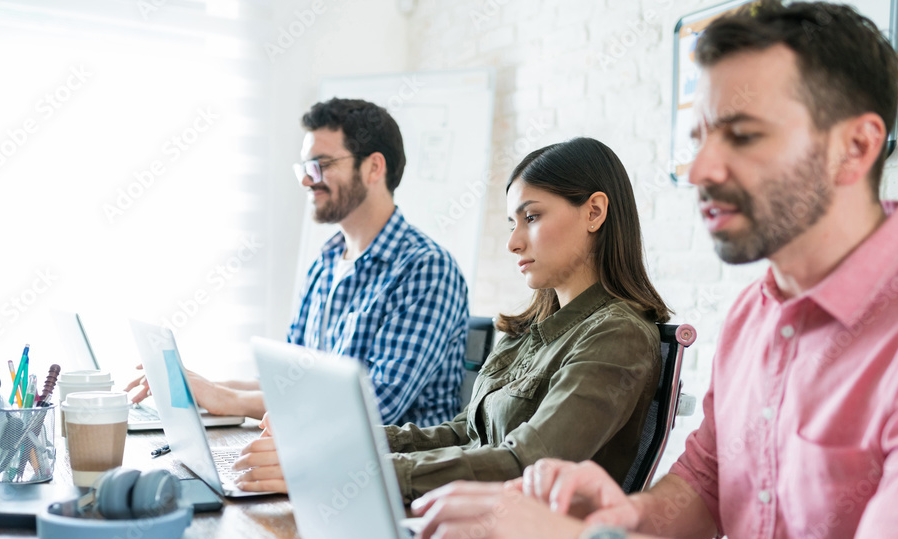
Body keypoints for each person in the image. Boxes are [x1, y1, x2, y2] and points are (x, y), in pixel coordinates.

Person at [407, 3, 898, 539]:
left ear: (855, 147)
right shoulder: (753, 314)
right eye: (700, 134)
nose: (701, 167)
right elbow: (707, 483)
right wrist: (625, 516)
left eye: (741, 134)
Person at [232, 137, 672, 502]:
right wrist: (339, 438)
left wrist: (351, 469)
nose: (514, 243)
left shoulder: (618, 334)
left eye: (532, 217)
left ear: (594, 212)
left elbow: (524, 465)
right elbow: (465, 431)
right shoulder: (532, 330)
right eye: (511, 223)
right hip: (464, 517)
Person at [128, 98, 469, 428]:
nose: (307, 180)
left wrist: (226, 399)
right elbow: (288, 383)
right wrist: (197, 385)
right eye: (304, 167)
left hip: (397, 475)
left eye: (321, 164)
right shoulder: (326, 262)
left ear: (373, 167)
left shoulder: (426, 268)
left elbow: (375, 406)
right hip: (316, 451)